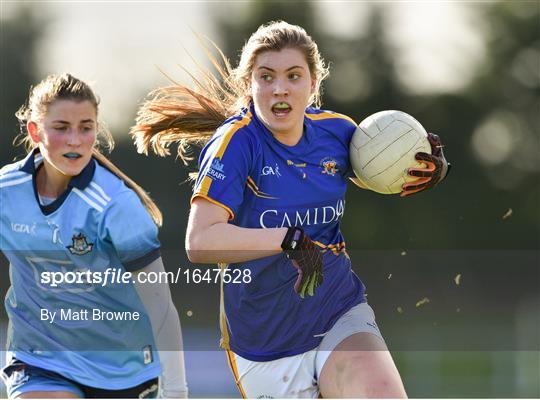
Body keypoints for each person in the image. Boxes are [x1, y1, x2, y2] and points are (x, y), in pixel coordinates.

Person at [131, 21, 449, 398]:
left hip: (336, 307)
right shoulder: (235, 145)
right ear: (249, 85)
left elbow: (371, 173)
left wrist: (423, 168)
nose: (280, 88)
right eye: (266, 77)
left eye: (293, 76)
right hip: (264, 340)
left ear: (313, 85)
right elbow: (200, 241)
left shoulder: (337, 132)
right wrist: (290, 240)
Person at [0, 73, 188, 398]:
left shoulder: (117, 206)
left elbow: (161, 309)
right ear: (35, 131)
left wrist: (177, 390)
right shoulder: (6, 192)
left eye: (85, 127)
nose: (75, 139)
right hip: (39, 359)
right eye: (61, 128)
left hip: (121, 369)